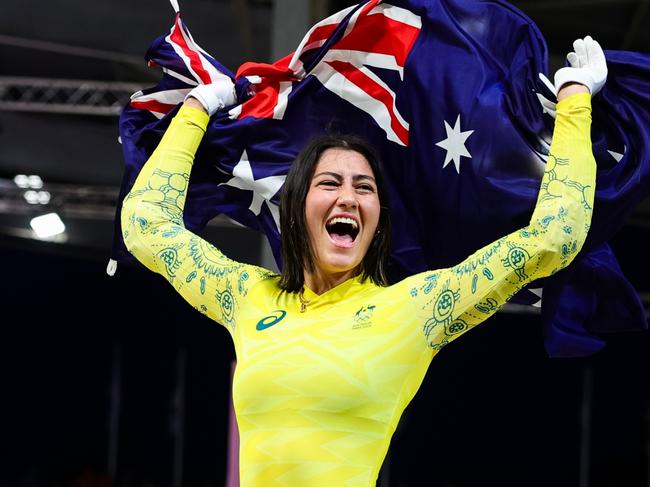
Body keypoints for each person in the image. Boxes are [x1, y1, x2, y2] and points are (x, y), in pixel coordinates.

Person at [121, 36, 606, 487]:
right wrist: (196, 109)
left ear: (378, 218)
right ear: (296, 207)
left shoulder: (414, 309)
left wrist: (575, 101)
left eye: (365, 187)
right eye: (330, 183)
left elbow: (554, 238)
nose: (349, 197)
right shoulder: (248, 297)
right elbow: (145, 225)